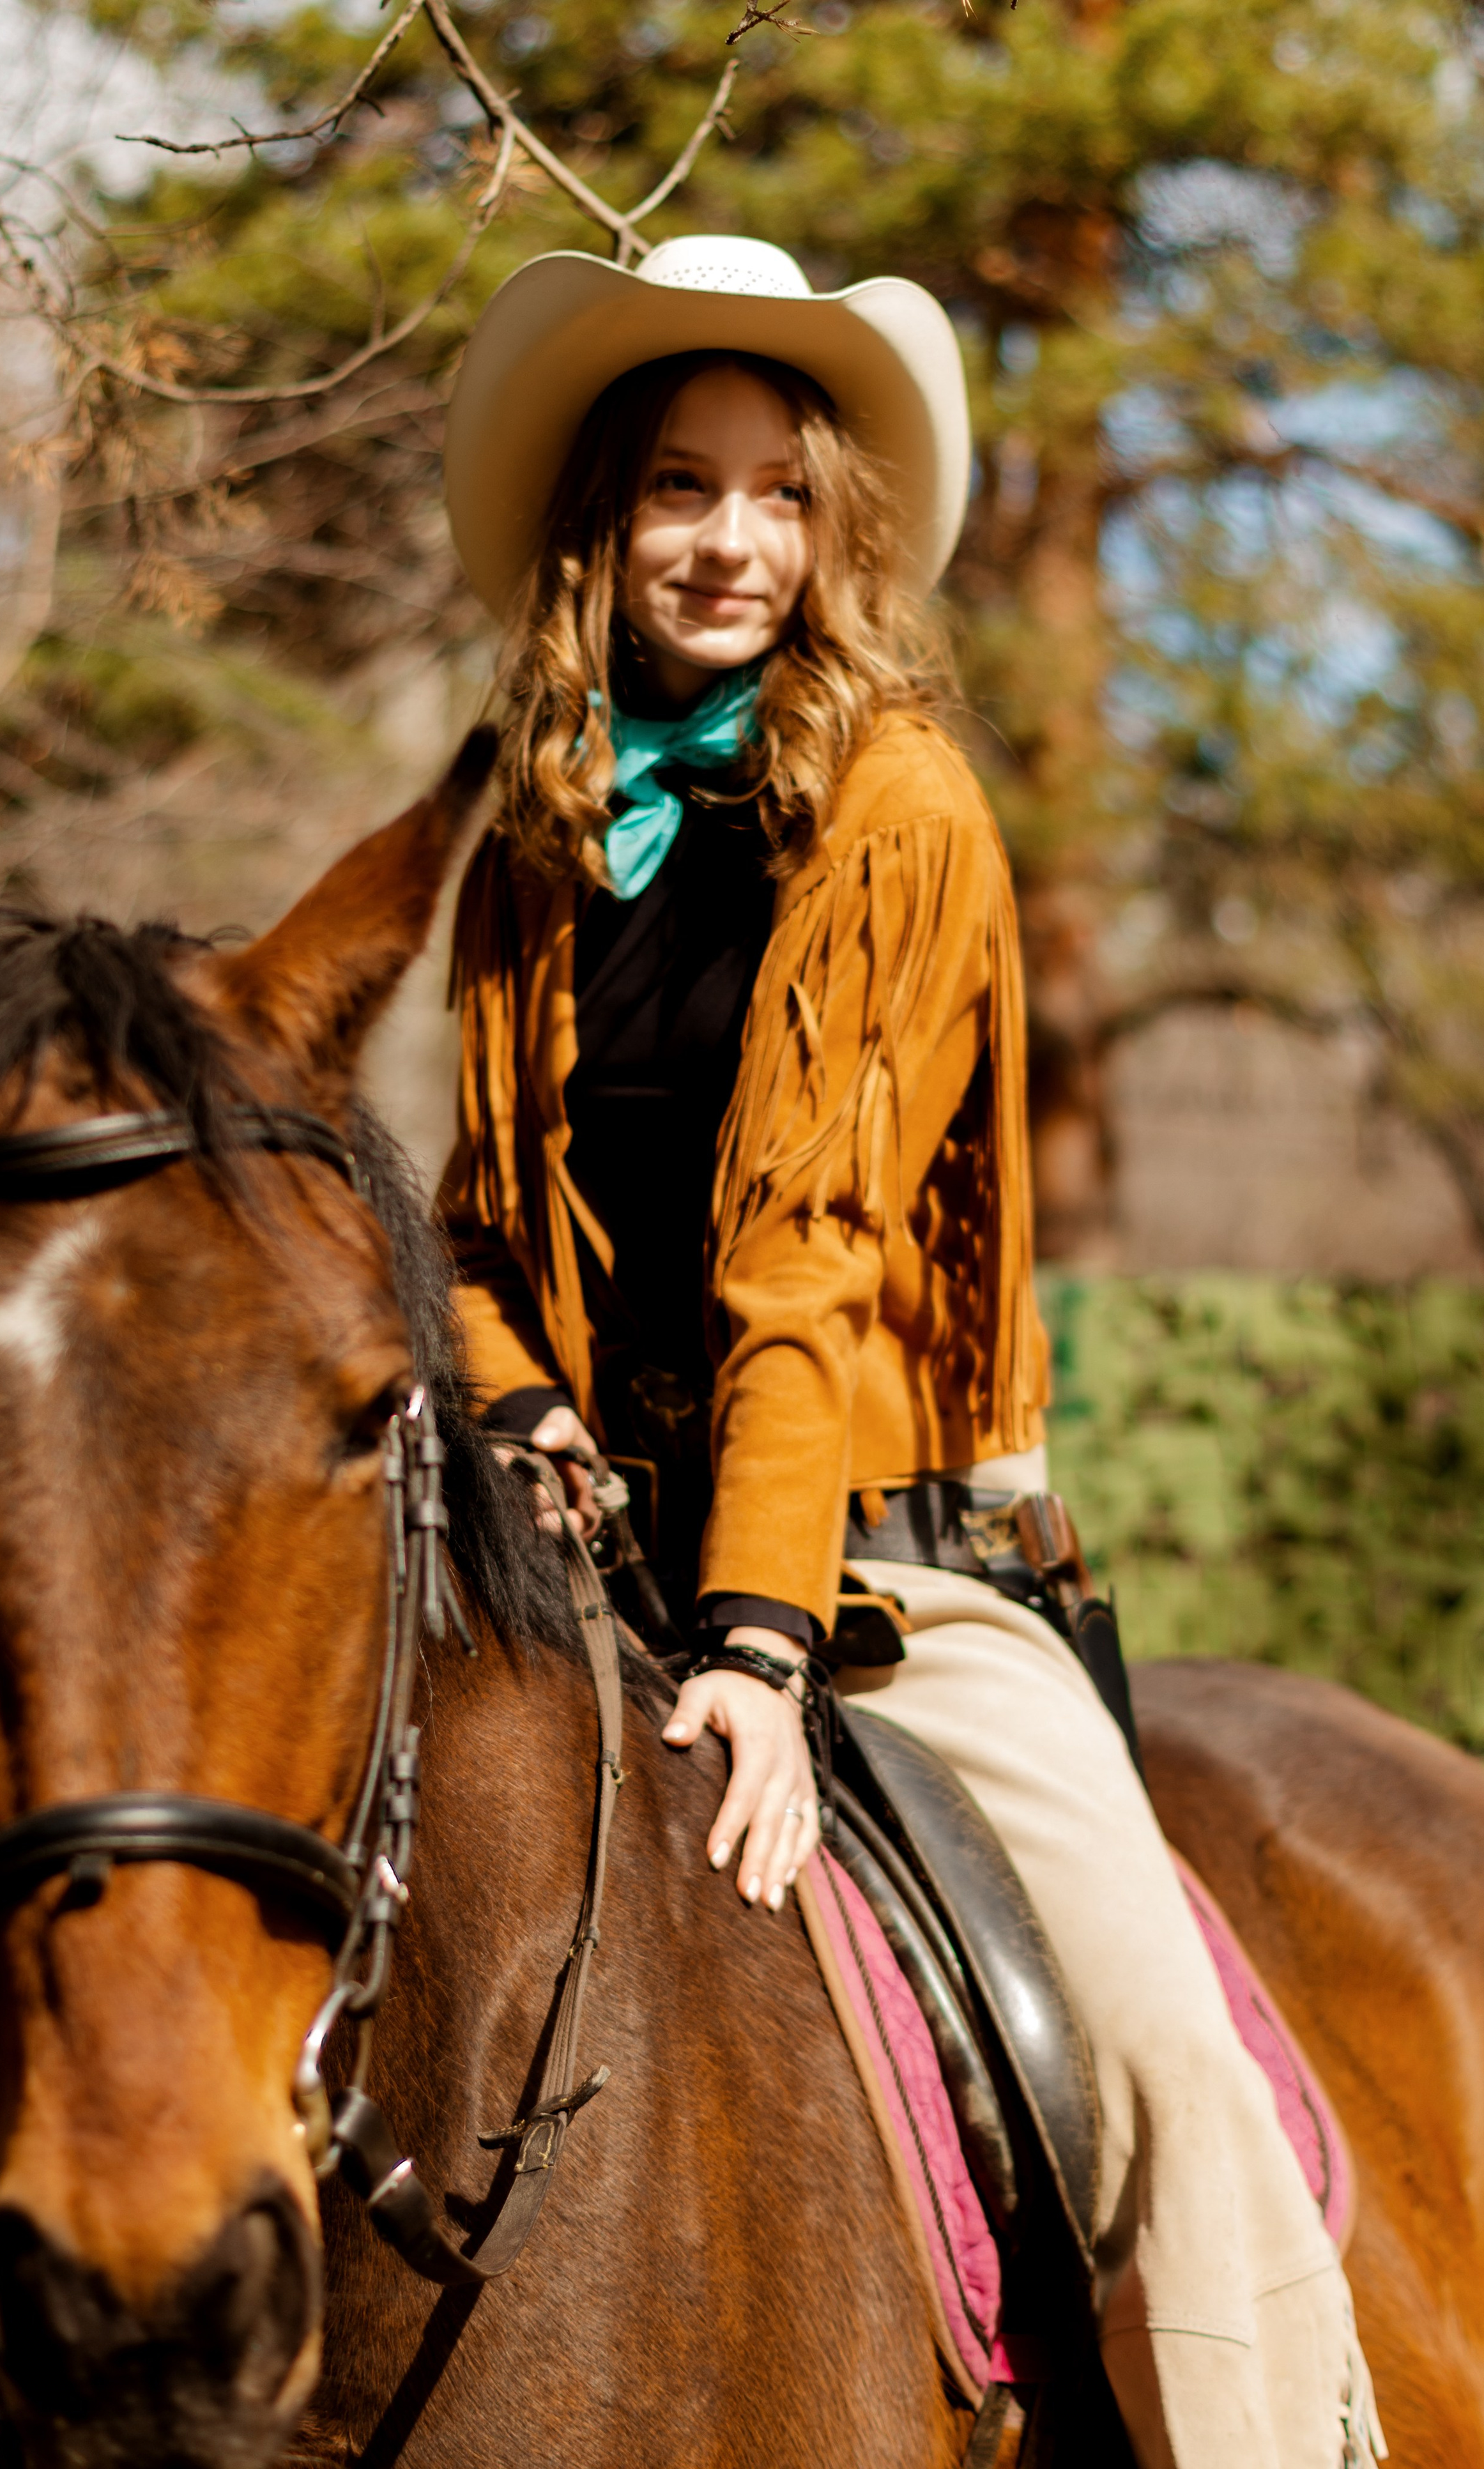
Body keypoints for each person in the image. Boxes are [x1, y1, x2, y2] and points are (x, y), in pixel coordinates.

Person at [438, 233, 1381, 2469]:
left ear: (834, 531)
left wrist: (761, 1642)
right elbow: (472, 1221)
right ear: (602, 523)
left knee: (1163, 2067)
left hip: (882, 1567)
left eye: (779, 494)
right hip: (583, 1558)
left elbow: (812, 1252)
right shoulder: (534, 834)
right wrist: (519, 1397)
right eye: (679, 487)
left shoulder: (899, 807)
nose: (729, 542)